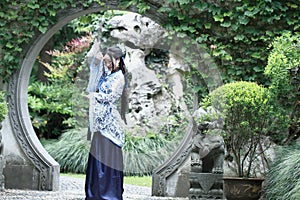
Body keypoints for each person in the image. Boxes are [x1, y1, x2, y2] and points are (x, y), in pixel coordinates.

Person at [85, 45, 127, 200]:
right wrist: (96, 58)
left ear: (118, 60)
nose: (107, 64)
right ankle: (95, 193)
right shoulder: (106, 74)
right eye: (106, 61)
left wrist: (94, 96)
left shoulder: (120, 77)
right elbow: (93, 71)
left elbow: (111, 97)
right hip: (100, 123)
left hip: (110, 125)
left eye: (110, 61)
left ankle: (109, 194)